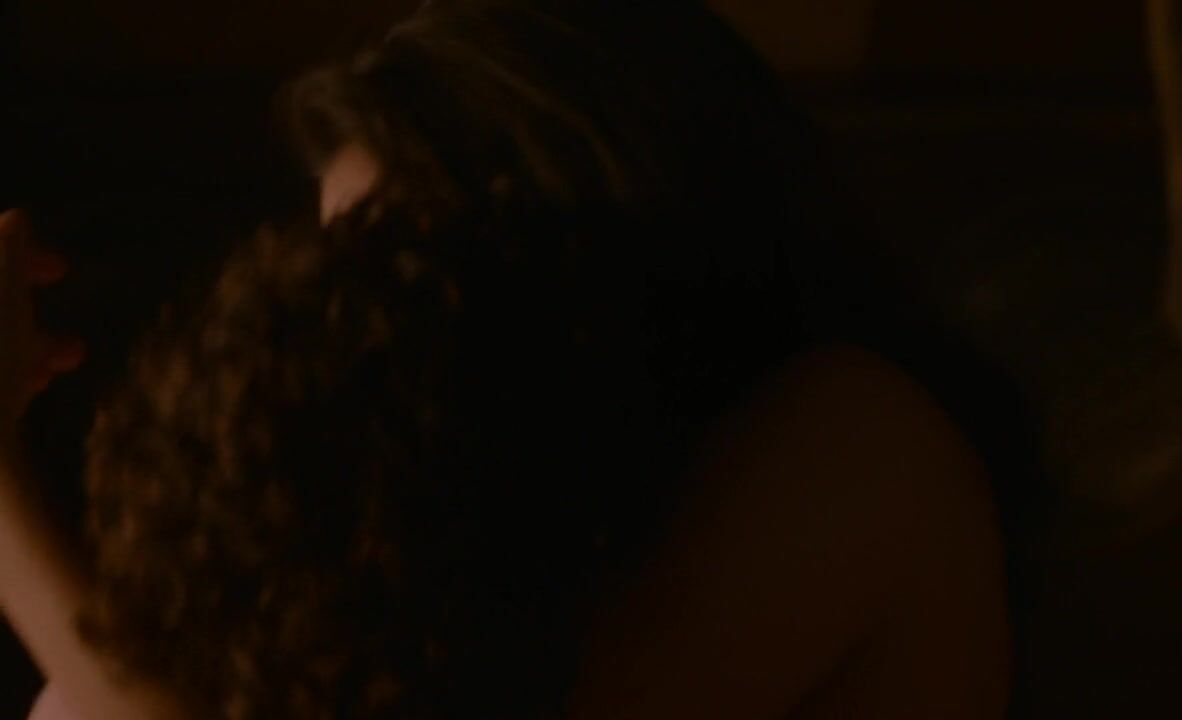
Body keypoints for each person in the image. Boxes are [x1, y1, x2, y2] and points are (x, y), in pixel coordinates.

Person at [5, 1, 1011, 717]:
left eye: (393, 267)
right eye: (335, 268)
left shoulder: (857, 440)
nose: (344, 328)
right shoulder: (499, 545)